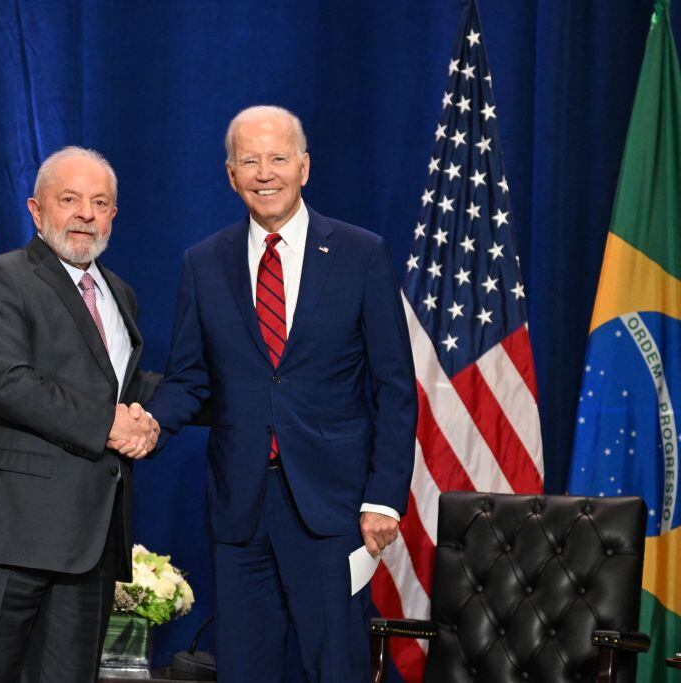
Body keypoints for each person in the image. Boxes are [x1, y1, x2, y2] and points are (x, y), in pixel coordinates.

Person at [145, 106, 417, 682]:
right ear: (230, 174)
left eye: (277, 158)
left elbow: (393, 385)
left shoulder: (360, 253)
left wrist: (384, 497)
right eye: (249, 161)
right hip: (240, 507)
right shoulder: (203, 262)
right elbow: (190, 378)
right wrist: (146, 424)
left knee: (334, 668)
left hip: (334, 508)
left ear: (304, 167)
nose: (264, 173)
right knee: (244, 669)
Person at [0, 146, 160, 682]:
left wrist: (164, 413)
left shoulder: (121, 294)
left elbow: (121, 387)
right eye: (69, 199)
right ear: (37, 211)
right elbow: (7, 384)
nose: (85, 213)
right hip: (6, 539)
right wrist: (111, 423)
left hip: (90, 545)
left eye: (99, 202)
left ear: (113, 216)